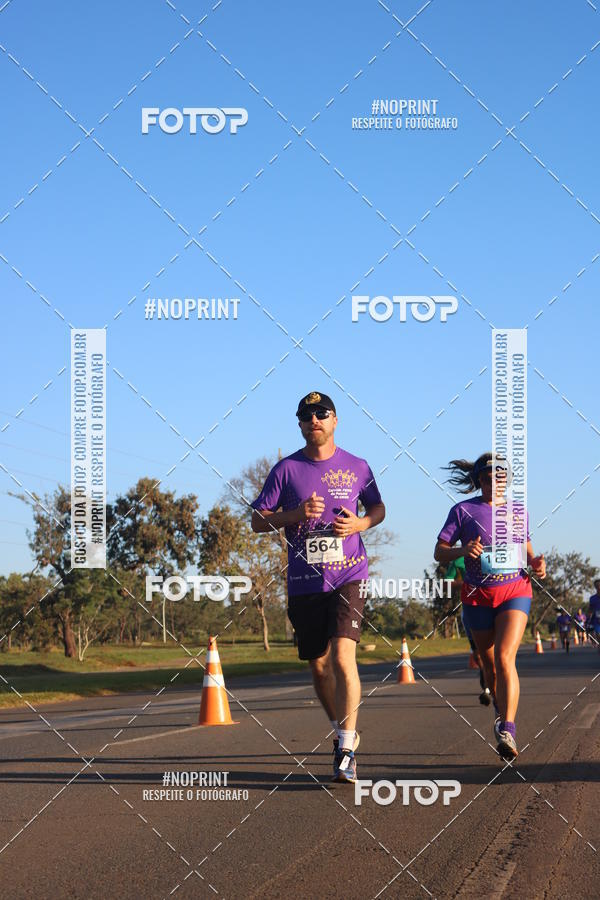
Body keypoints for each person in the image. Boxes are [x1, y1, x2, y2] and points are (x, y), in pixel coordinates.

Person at [250, 391, 385, 783]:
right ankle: (343, 729)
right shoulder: (286, 470)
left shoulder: (358, 466)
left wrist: (360, 525)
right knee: (319, 665)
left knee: (344, 657)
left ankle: (345, 748)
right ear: (300, 423)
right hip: (305, 581)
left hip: (349, 575)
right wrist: (294, 514)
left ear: (335, 420)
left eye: (322, 413)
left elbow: (378, 508)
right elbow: (258, 520)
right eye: (307, 415)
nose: (315, 420)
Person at [434, 453, 546, 760]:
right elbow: (439, 552)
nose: (493, 482)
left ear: (506, 479)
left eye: (499, 476)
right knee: (489, 663)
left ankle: (508, 729)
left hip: (515, 590)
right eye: (486, 477)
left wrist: (537, 564)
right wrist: (463, 549)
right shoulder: (462, 511)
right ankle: (500, 710)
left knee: (505, 656)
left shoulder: (518, 511)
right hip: (477, 595)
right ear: (478, 480)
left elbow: (528, 552)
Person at [447, 556, 491, 705]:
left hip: (495, 603)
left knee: (498, 652)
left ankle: (495, 685)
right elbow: (447, 582)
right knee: (479, 655)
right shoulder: (458, 559)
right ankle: (487, 686)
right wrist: (467, 583)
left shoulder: (491, 551)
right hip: (471, 606)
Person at [588, 581, 600, 651]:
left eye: (599, 585)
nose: (599, 587)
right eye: (597, 586)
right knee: (598, 635)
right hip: (597, 621)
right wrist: (588, 619)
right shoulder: (592, 598)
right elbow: (590, 610)